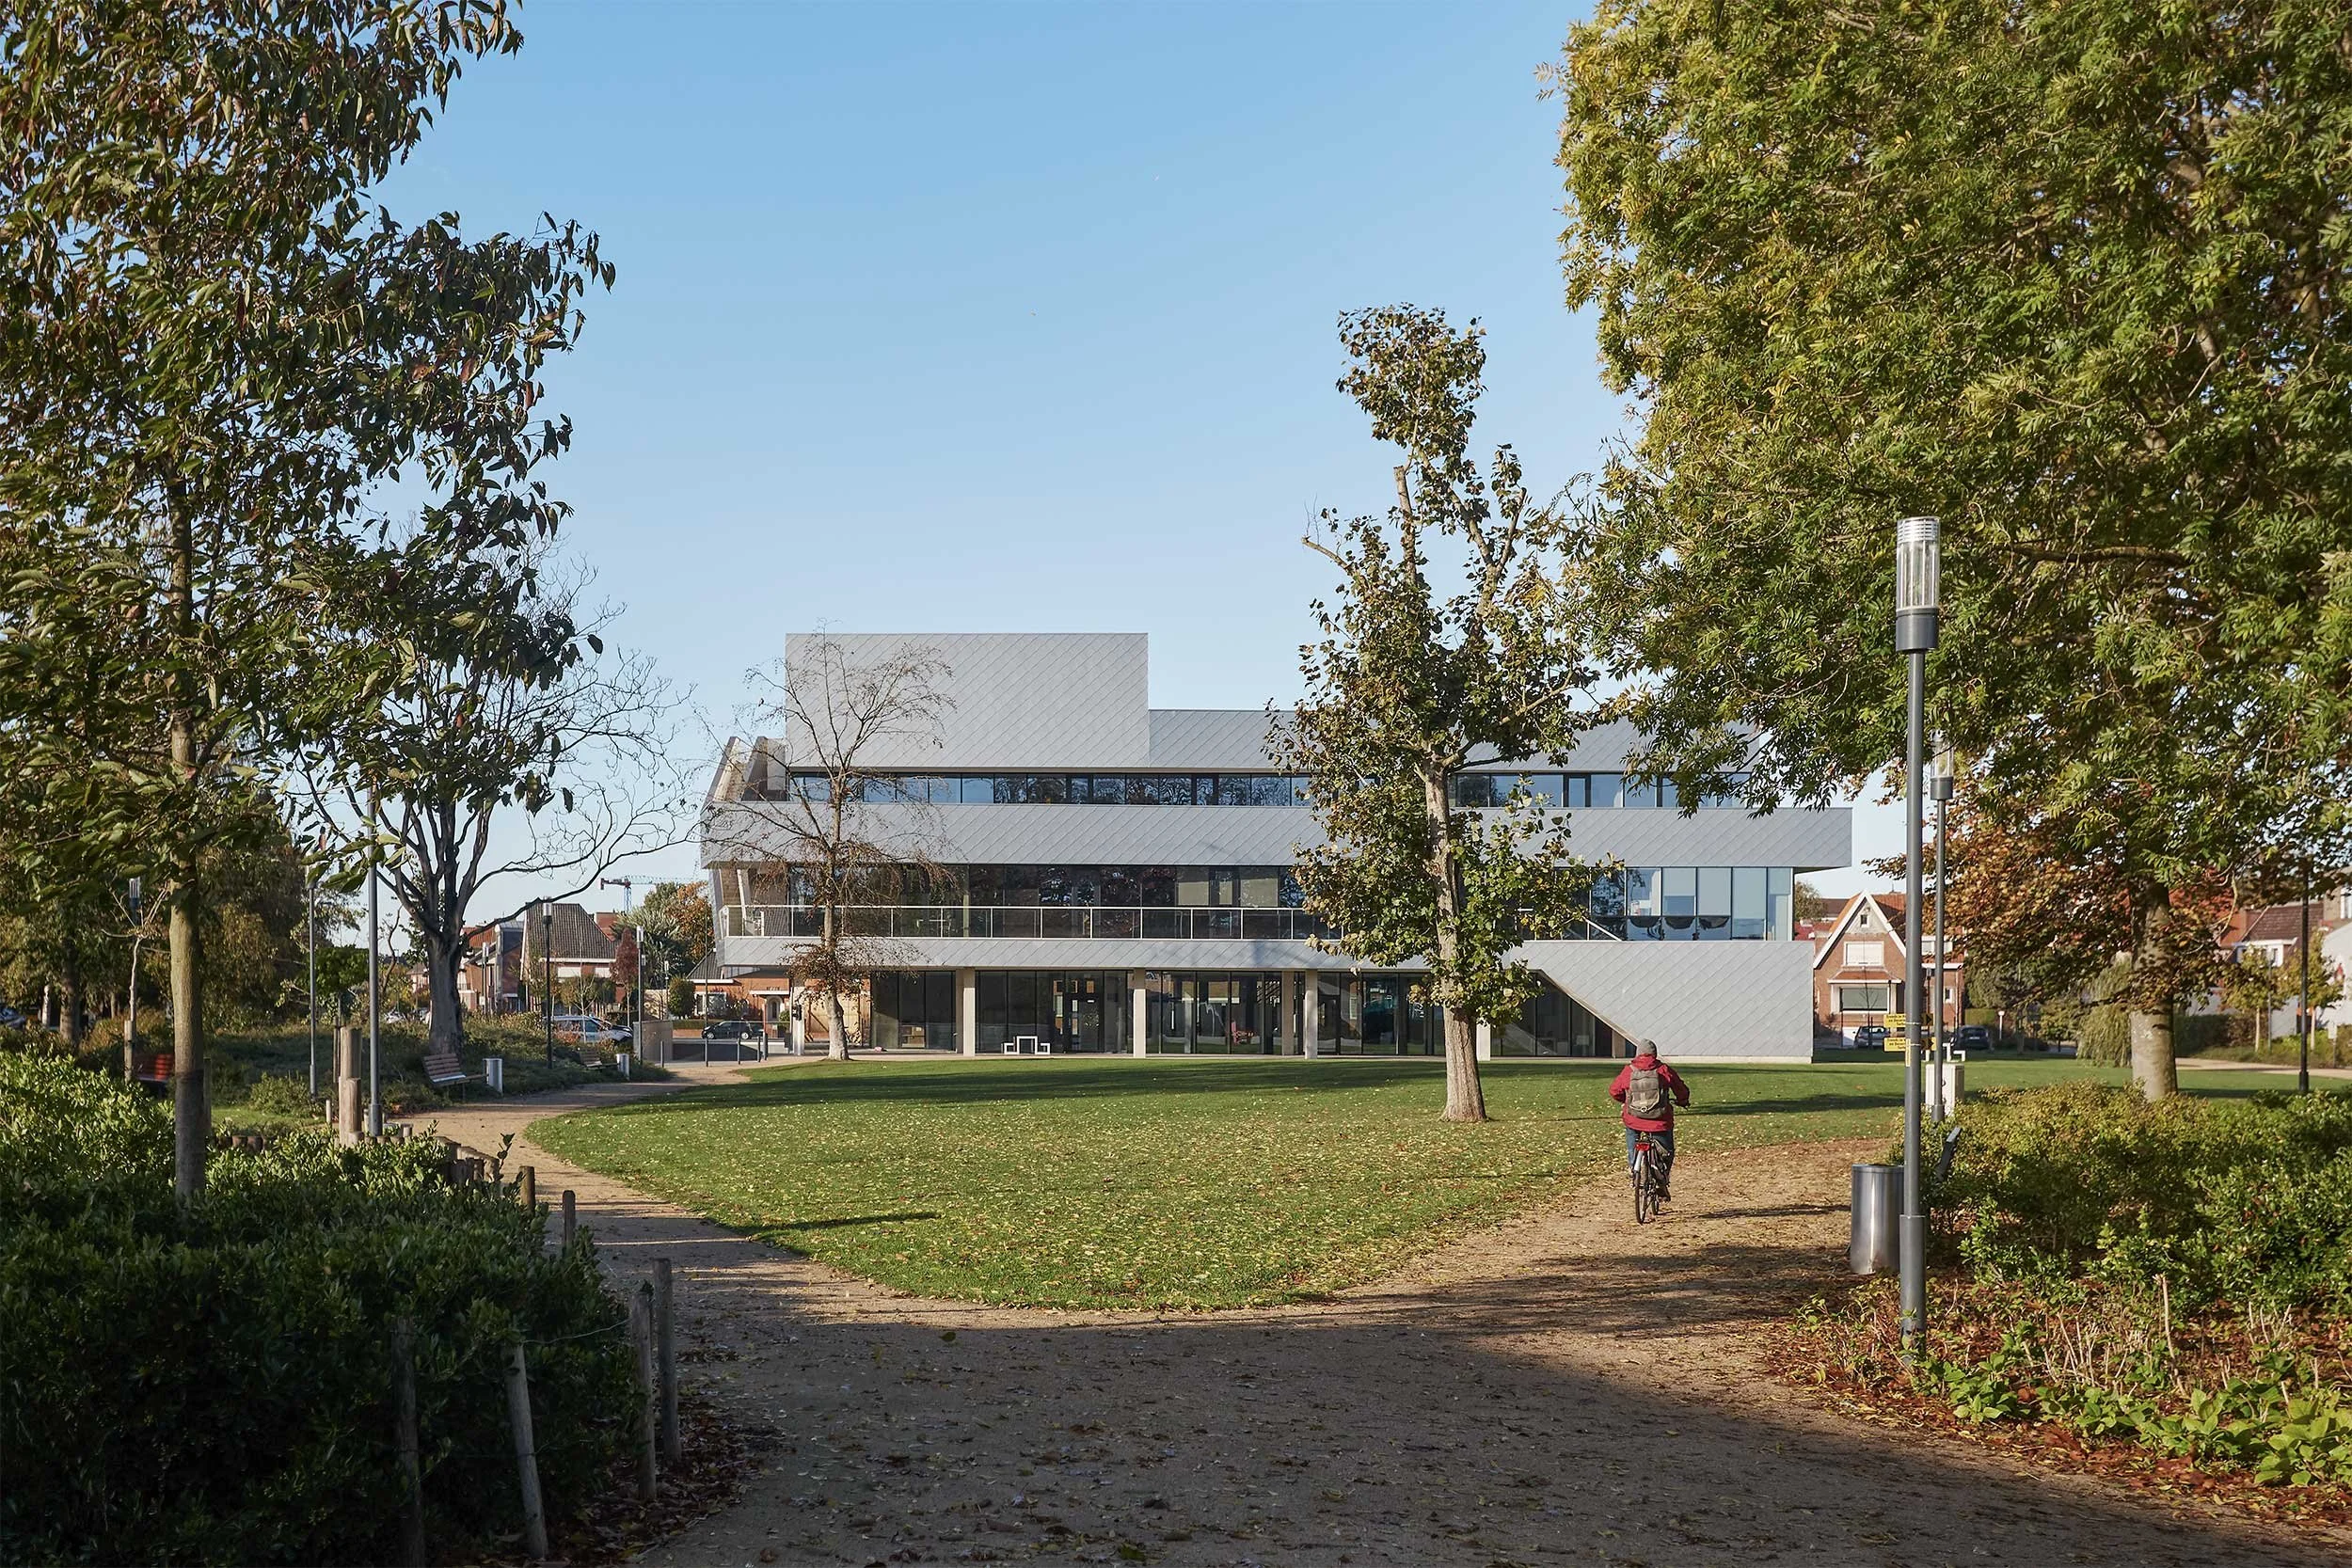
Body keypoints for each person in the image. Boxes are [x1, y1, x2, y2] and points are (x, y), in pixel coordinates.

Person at [1609, 1038, 1692, 1202]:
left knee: (1633, 1142)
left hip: (1634, 1118)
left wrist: (1625, 1101)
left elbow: (1614, 1091)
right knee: (1667, 1151)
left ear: (1637, 1053)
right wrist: (1683, 1101)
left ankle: (1635, 1170)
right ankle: (1662, 1176)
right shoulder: (1663, 1070)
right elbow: (1681, 1089)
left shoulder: (1629, 1070)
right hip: (1659, 1120)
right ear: (1654, 1053)